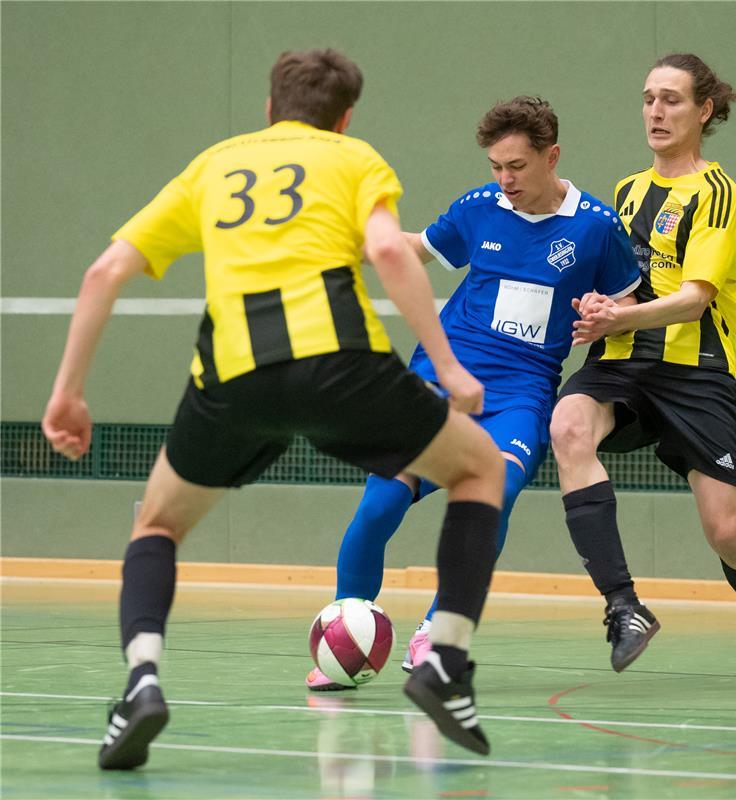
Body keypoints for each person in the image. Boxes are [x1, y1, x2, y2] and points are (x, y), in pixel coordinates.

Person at [41, 48, 507, 766]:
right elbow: (388, 251)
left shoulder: (215, 166)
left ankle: (140, 683)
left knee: (156, 524)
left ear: (268, 107)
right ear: (345, 118)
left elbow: (105, 269)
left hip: (234, 379)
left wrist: (67, 392)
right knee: (479, 470)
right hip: (342, 367)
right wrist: (447, 367)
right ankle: (446, 659)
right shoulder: (355, 160)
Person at [303, 96, 642, 691]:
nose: (505, 180)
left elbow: (631, 303)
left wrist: (604, 311)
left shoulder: (597, 226)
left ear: (551, 155)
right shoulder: (480, 207)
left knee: (495, 495)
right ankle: (344, 630)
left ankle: (437, 633)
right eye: (495, 166)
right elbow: (418, 248)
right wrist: (340, 239)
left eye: (516, 166)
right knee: (381, 503)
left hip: (522, 394)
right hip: (443, 380)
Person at [551, 53, 736, 688]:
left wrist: (618, 317)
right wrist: (601, 304)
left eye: (671, 100)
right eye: (648, 99)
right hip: (627, 355)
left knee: (725, 530)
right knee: (568, 428)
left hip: (699, 366)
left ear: (704, 110)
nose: (656, 112)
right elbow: (629, 288)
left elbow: (695, 296)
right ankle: (624, 606)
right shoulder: (629, 191)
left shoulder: (717, 191)